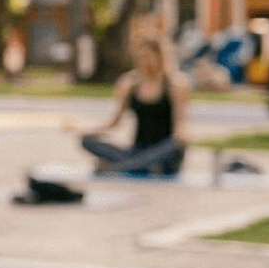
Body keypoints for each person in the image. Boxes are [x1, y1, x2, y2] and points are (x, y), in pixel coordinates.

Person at [68, 37, 189, 176]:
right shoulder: (131, 85)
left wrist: (182, 135)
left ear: (160, 56)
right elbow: (114, 122)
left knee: (174, 145)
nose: (145, 61)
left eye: (149, 56)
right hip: (137, 151)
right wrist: (84, 130)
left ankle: (122, 167)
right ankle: (138, 166)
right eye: (142, 57)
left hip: (163, 153)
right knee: (86, 141)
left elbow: (180, 125)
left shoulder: (175, 85)